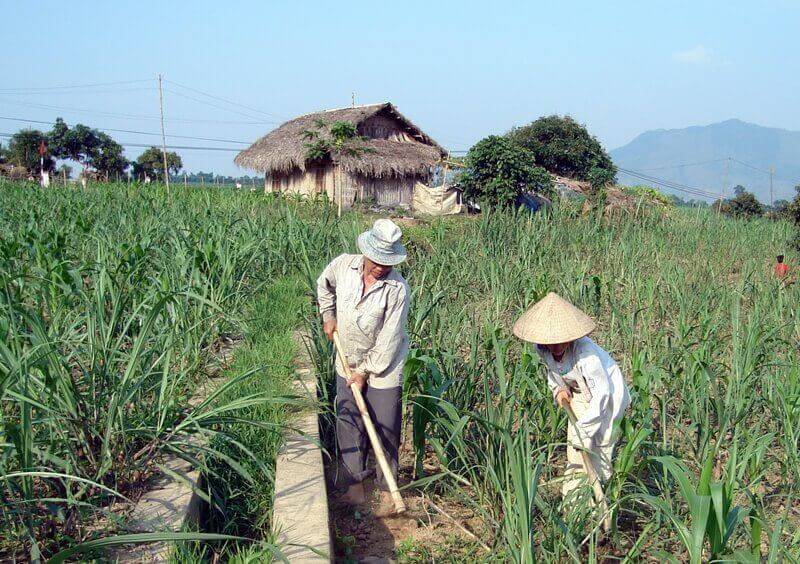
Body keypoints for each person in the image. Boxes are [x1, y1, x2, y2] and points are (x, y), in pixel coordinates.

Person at [317, 218, 410, 515]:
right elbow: (324, 285)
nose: (382, 267)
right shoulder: (343, 266)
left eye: (388, 262)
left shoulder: (397, 289)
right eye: (378, 261)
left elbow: (389, 337)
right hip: (348, 357)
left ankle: (386, 490)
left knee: (384, 423)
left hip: (384, 364)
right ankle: (355, 486)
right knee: (349, 420)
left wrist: (365, 372)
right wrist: (328, 315)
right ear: (367, 252)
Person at [513, 292, 630, 501]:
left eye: (561, 341)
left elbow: (602, 396)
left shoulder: (587, 356)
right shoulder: (543, 349)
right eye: (551, 342)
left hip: (607, 398)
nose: (556, 347)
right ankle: (575, 502)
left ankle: (602, 495)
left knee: (601, 446)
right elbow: (553, 371)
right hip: (578, 392)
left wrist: (584, 432)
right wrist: (558, 389)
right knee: (575, 452)